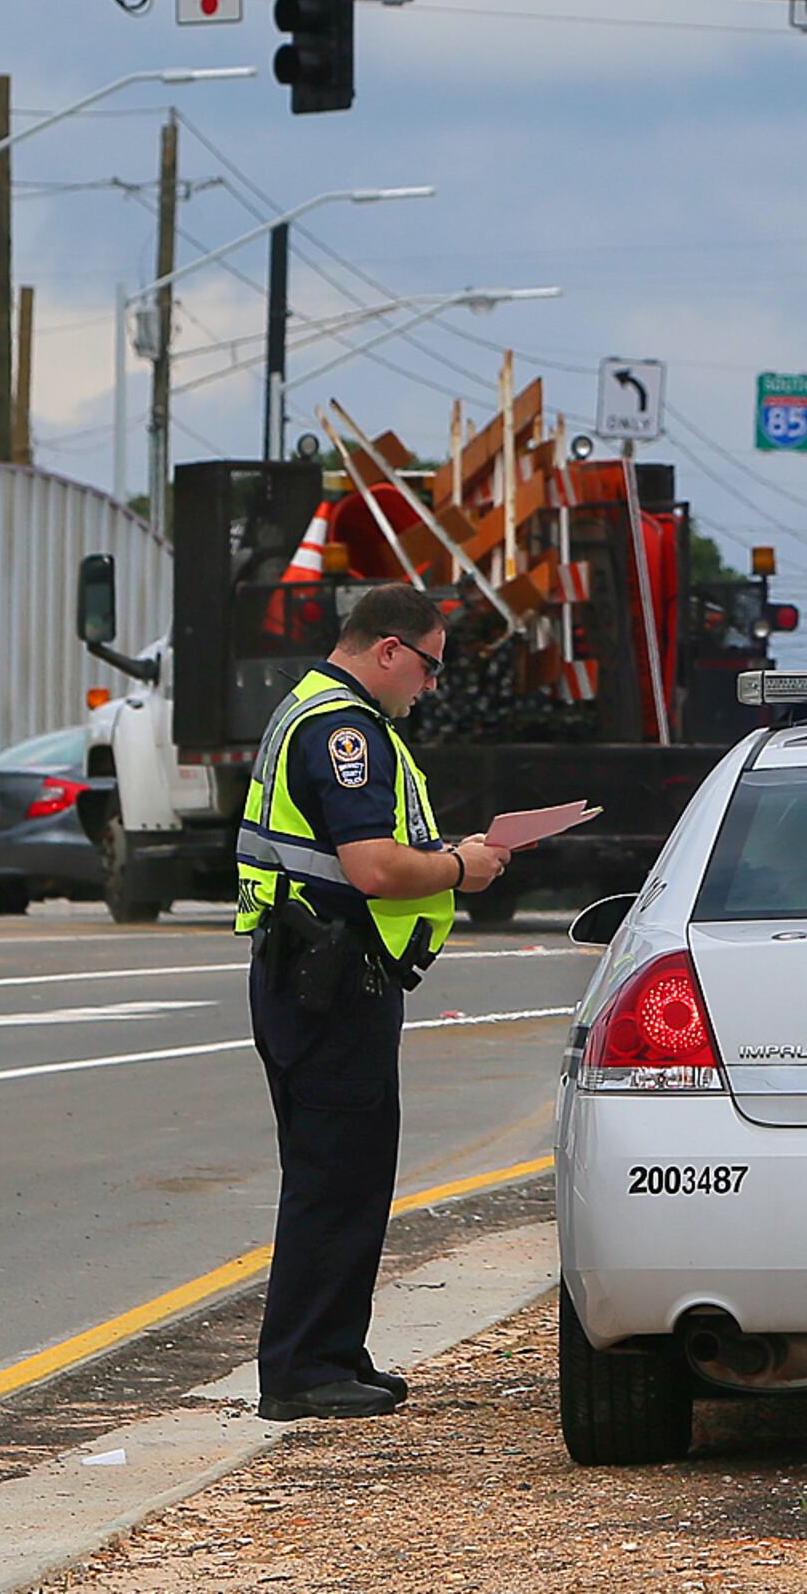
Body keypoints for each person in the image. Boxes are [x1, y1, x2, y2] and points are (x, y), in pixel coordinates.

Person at [235, 580, 507, 1421]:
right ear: (388, 649)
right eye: (427, 668)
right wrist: (461, 865)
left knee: (346, 1171)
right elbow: (376, 868)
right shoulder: (343, 727)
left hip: (318, 972)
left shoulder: (318, 711)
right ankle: (303, 1370)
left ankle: (331, 1351)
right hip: (328, 976)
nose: (427, 687)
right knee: (333, 1175)